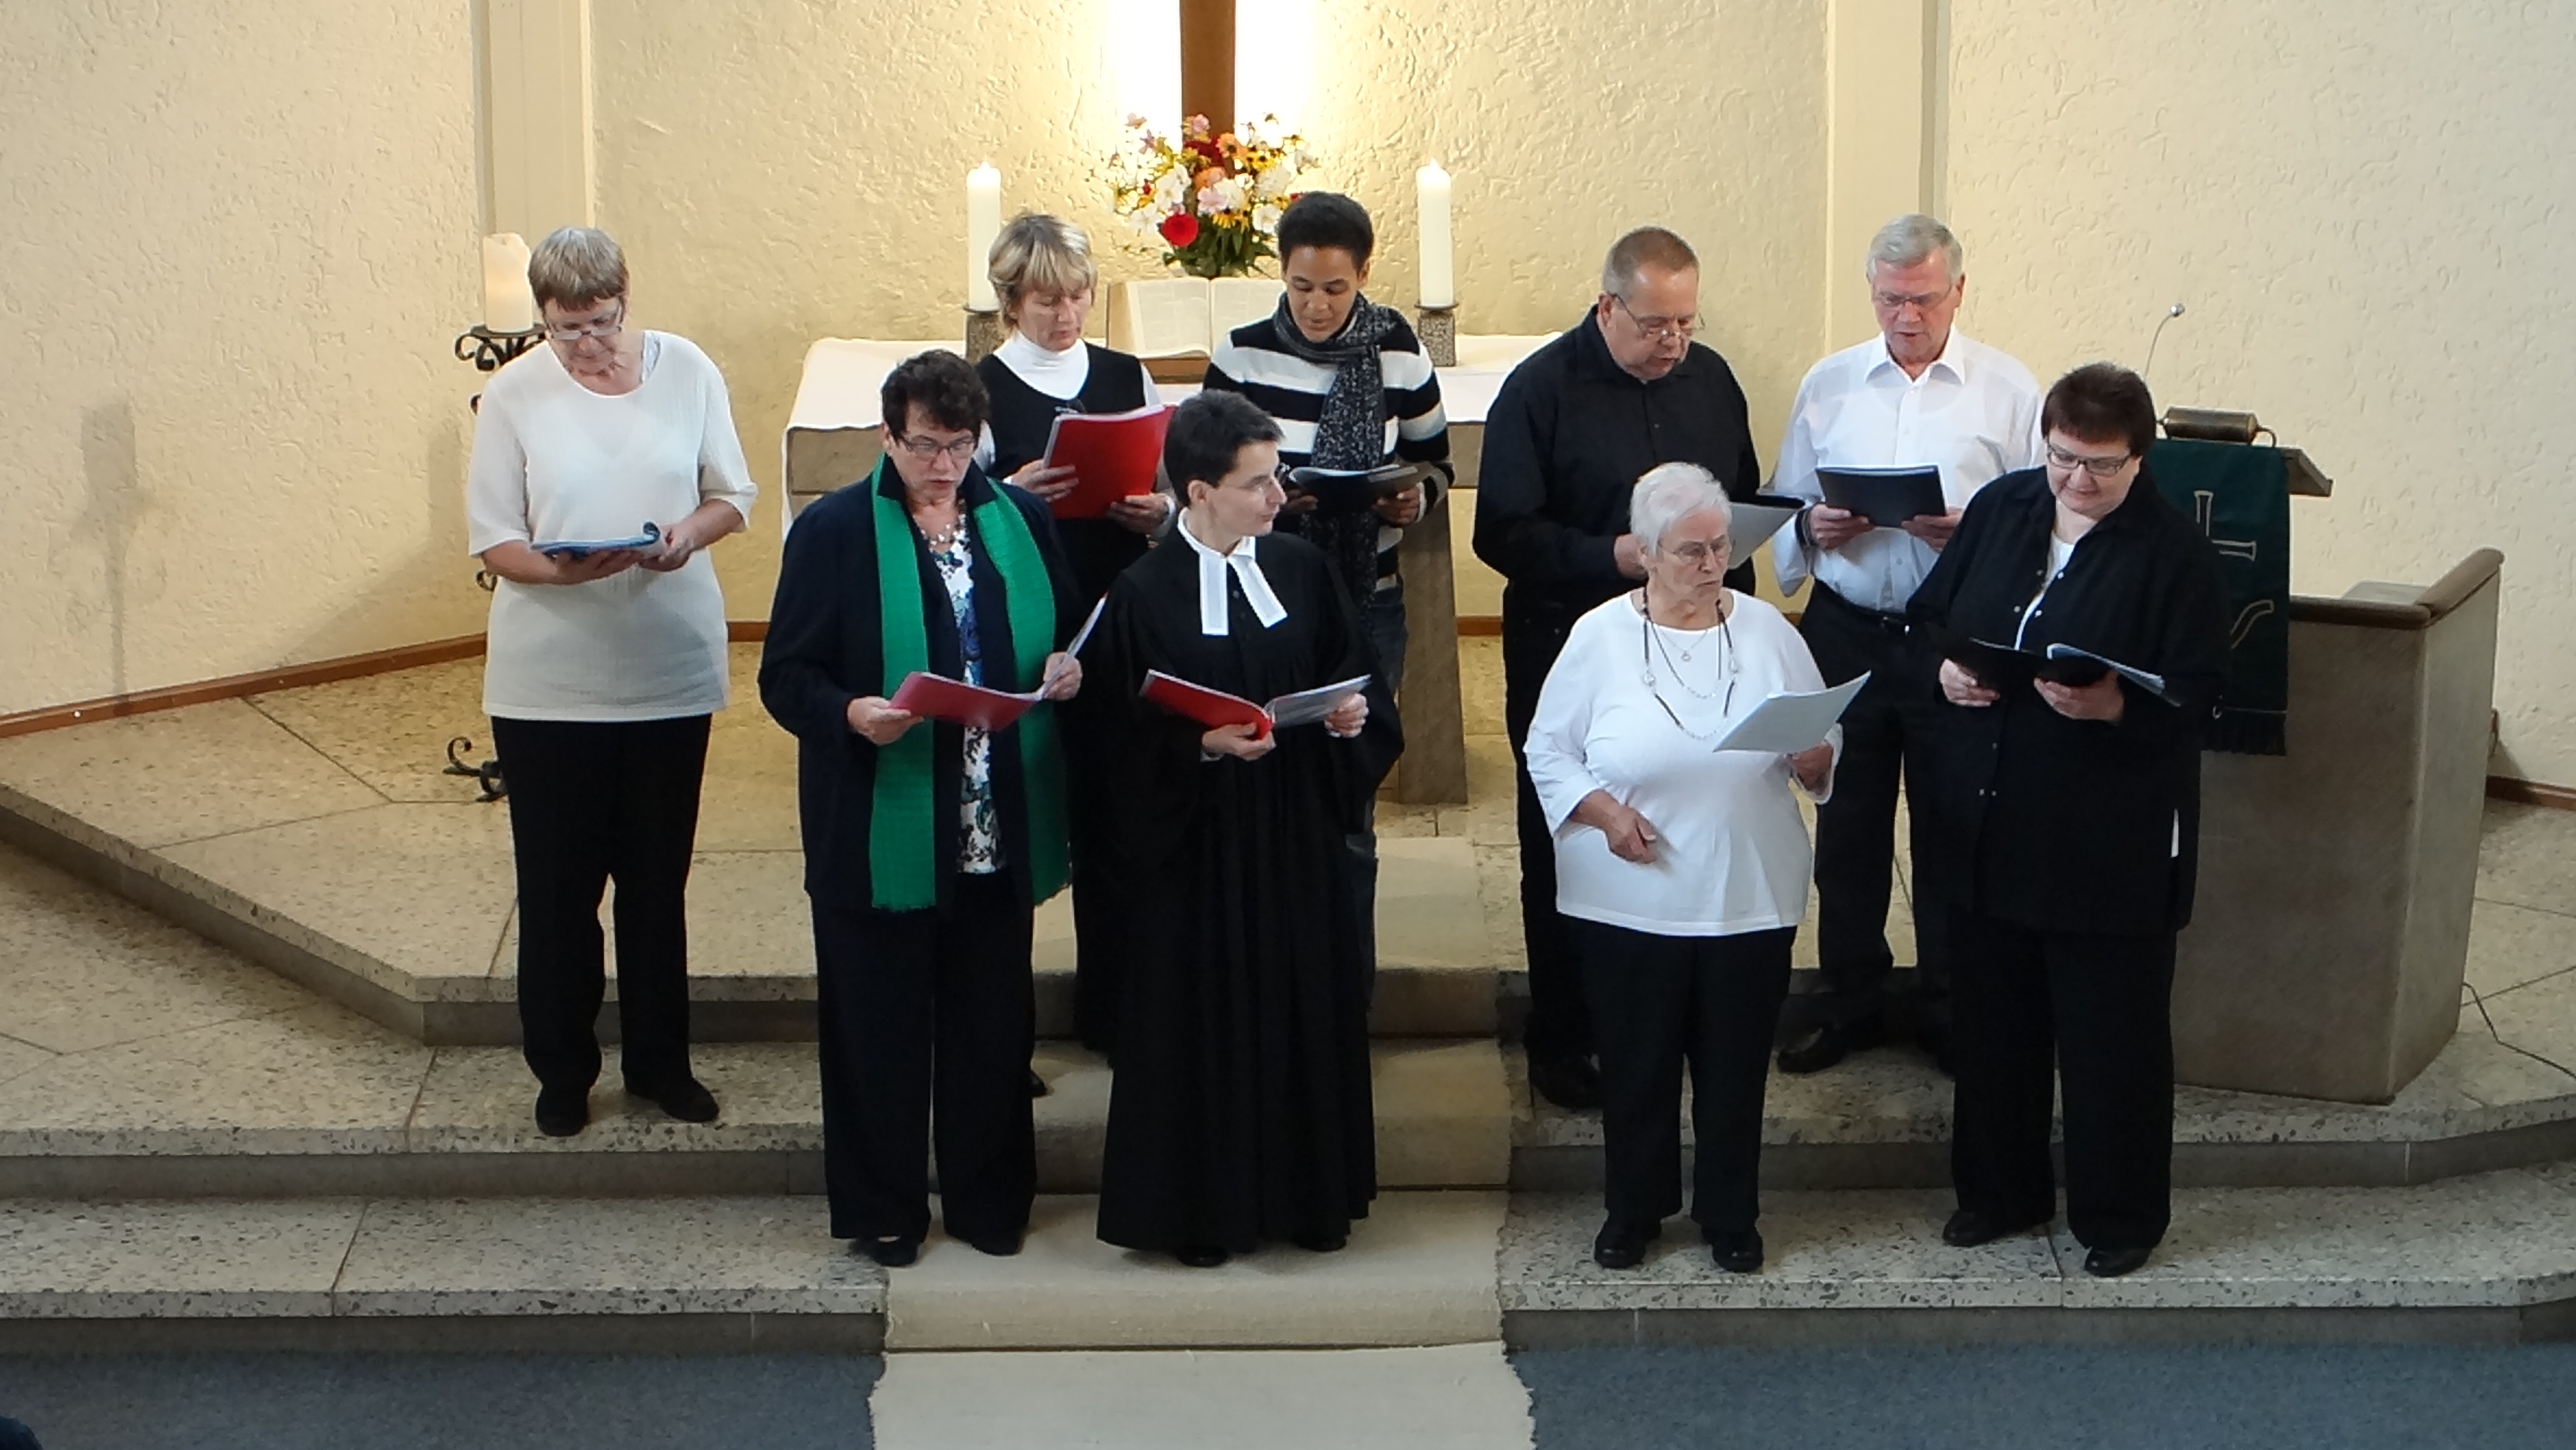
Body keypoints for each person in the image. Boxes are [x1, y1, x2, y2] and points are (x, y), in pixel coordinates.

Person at [759, 350, 1084, 1266]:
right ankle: (885, 1207)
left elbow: (1066, 630)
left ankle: (989, 1202)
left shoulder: (1016, 518)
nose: (944, 464)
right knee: (878, 1027)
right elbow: (784, 676)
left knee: (992, 1028)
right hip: (880, 819)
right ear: (887, 437)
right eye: (925, 445)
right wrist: (851, 713)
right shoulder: (833, 533)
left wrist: (1067, 667)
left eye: (959, 445)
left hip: (992, 823)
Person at [1910, 362, 2228, 1280]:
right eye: (2061, 459)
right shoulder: (2008, 508)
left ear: (2140, 459)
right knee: (1995, 1026)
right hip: (1990, 819)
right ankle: (1998, 1193)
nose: (2076, 483)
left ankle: (2120, 1214)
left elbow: (2205, 699)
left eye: (2100, 466)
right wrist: (1947, 671)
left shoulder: (2173, 554)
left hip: (2105, 842)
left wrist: (2120, 708)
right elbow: (1935, 619)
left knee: (2110, 1040)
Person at [1087, 391, 1401, 1268]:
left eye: (1279, 478)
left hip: (1295, 832)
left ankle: (1311, 1199)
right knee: (1205, 1021)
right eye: (1258, 483)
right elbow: (1114, 741)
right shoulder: (1140, 591)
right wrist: (1199, 747)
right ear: (1198, 492)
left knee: (1304, 1001)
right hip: (1198, 856)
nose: (1277, 498)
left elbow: (1358, 678)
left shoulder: (1298, 568)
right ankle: (1204, 1214)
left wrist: (1345, 719)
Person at [465, 225, 755, 1138]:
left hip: (667, 663)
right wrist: (562, 570)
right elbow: (492, 533)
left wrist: (684, 538)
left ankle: (662, 1065)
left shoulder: (688, 370)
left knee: (655, 882)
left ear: (627, 298)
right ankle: (562, 1071)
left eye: (601, 322)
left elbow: (732, 495)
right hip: (550, 676)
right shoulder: (513, 393)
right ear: (542, 320)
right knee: (557, 889)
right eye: (566, 329)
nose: (587, 344)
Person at [1473, 226, 1763, 1113]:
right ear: (1607, 307)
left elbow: (1740, 501)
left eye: (1685, 322)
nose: (1674, 342)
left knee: (1688, 813)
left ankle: (1672, 1017)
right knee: (1569, 827)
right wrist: (1616, 556)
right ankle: (1563, 1032)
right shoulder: (1539, 390)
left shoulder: (1711, 380)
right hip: (1575, 645)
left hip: (1700, 647)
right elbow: (1502, 534)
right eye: (1654, 325)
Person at [1523, 465, 1837, 1274]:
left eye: (1722, 547)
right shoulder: (1599, 636)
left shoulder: (1771, 631)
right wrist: (1604, 814)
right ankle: (1634, 1210)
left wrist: (1816, 759)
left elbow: (1823, 739)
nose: (1711, 565)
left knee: (1735, 1066)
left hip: (1748, 890)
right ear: (1648, 555)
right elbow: (1547, 750)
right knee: (1637, 1062)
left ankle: (1731, 1213)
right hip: (1630, 891)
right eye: (1691, 550)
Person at [1766, 215, 2044, 1077]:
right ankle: (1849, 998)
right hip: (1847, 628)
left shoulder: (2008, 390)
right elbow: (1785, 506)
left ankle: (1949, 1003)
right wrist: (1815, 526)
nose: (1905, 317)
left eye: (1921, 299)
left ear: (1958, 291)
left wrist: (1974, 538)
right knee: (1846, 821)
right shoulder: (1831, 382)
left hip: (1949, 636)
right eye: (1889, 300)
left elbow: (2041, 527)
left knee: (1950, 819)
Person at [1201, 190, 1450, 998]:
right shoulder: (1240, 358)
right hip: (1256, 603)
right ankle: (1257, 976)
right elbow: (1201, 477)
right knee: (1254, 792)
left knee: (1348, 795)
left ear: (1365, 275)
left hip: (1361, 599)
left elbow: (1434, 464)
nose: (1316, 305)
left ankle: (1345, 983)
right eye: (1302, 286)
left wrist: (1412, 499)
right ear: (1282, 271)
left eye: (1336, 289)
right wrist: (1277, 496)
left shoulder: (1400, 355)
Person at [974, 212, 1170, 1069]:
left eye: (1078, 296)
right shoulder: (981, 389)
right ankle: (1000, 1038)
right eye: (1046, 299)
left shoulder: (1126, 375)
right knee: (1017, 826)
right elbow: (950, 511)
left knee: (1118, 820)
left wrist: (1157, 512)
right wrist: (1008, 490)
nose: (1065, 314)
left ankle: (1119, 1011)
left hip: (1116, 615)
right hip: (1028, 622)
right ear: (1011, 300)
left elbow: (1170, 485)